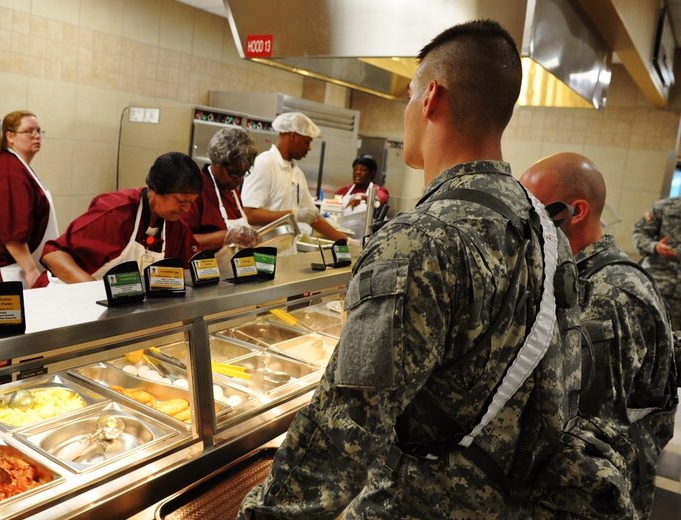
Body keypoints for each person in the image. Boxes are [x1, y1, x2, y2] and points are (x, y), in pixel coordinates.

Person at [239, 20, 579, 519]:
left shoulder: (421, 240)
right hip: (504, 499)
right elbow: (559, 387)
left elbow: (342, 432)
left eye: (408, 95)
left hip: (414, 501)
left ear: (431, 97)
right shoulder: (545, 230)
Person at [521, 152, 677, 519]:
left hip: (590, 500)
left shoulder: (610, 295)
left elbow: (586, 427)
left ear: (576, 211)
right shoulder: (575, 278)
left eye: (537, 211)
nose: (527, 223)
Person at [41, 152, 201, 283]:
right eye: (181, 201)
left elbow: (191, 269)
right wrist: (91, 293)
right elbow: (53, 255)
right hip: (64, 297)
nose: (186, 209)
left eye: (191, 202)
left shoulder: (175, 227)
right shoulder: (115, 213)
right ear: (156, 187)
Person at [0, 110, 58, 289]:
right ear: (10, 136)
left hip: (18, 268)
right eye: (29, 131)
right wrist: (30, 270)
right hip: (8, 274)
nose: (36, 136)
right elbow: (12, 231)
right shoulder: (8, 171)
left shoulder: (18, 167)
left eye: (38, 131)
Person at [240, 112, 347, 246]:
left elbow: (313, 217)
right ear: (293, 136)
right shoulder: (264, 163)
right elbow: (250, 215)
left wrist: (346, 241)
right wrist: (293, 215)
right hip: (263, 253)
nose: (309, 148)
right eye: (306, 142)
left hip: (288, 251)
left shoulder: (297, 173)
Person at [181, 127, 258, 251]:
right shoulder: (195, 190)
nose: (238, 180)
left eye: (243, 173)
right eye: (234, 173)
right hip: (202, 268)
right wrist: (226, 237)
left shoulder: (233, 193)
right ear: (218, 161)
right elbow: (182, 240)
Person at [633, 195, 681, 328]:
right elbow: (640, 235)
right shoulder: (663, 207)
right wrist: (655, 246)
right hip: (659, 288)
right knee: (648, 335)